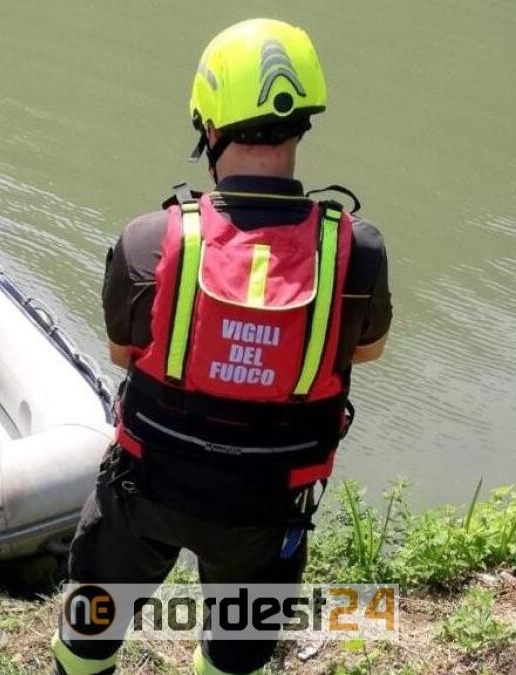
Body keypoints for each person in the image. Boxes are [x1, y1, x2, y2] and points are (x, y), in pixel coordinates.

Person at [53, 18, 392, 675]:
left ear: (209, 127)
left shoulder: (149, 240)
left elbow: (126, 354)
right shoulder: (357, 249)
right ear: (302, 124)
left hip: (146, 489)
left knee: (89, 628)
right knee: (237, 650)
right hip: (266, 506)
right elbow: (365, 351)